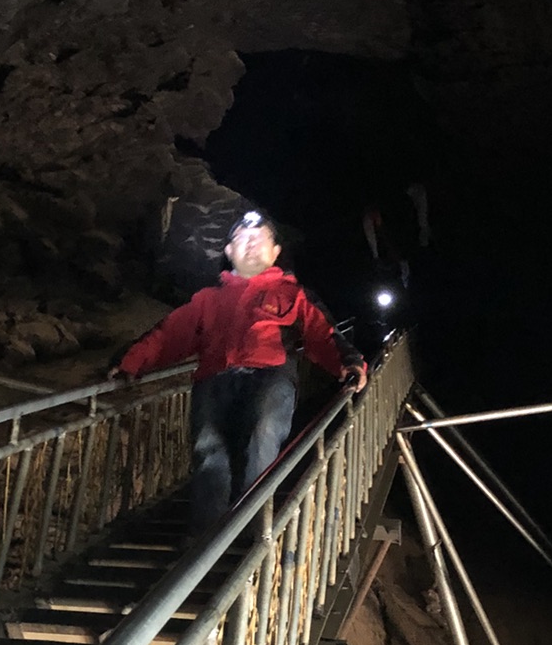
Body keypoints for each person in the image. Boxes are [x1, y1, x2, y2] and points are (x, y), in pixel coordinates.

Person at [114, 210, 368, 532]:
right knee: (210, 449)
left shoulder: (292, 294)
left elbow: (322, 333)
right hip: (215, 376)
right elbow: (169, 335)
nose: (250, 245)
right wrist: (128, 362)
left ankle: (250, 528)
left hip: (271, 374)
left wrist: (349, 363)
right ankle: (208, 534)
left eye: (260, 240)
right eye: (242, 239)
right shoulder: (208, 299)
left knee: (263, 432)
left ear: (275, 252)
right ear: (229, 251)